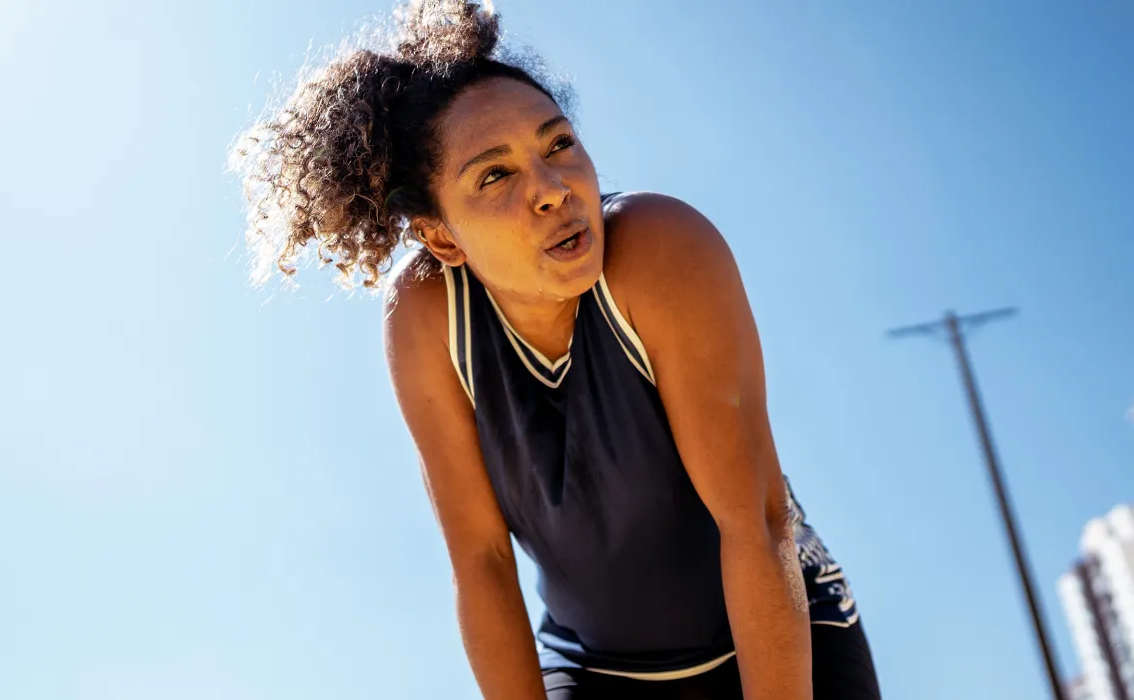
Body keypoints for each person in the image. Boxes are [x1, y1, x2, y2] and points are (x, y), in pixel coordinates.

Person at [231, 2, 880, 698]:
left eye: (559, 145)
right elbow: (481, 562)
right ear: (442, 237)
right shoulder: (426, 318)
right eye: (494, 176)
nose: (551, 190)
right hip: (596, 668)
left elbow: (757, 524)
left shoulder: (663, 250)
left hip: (781, 632)